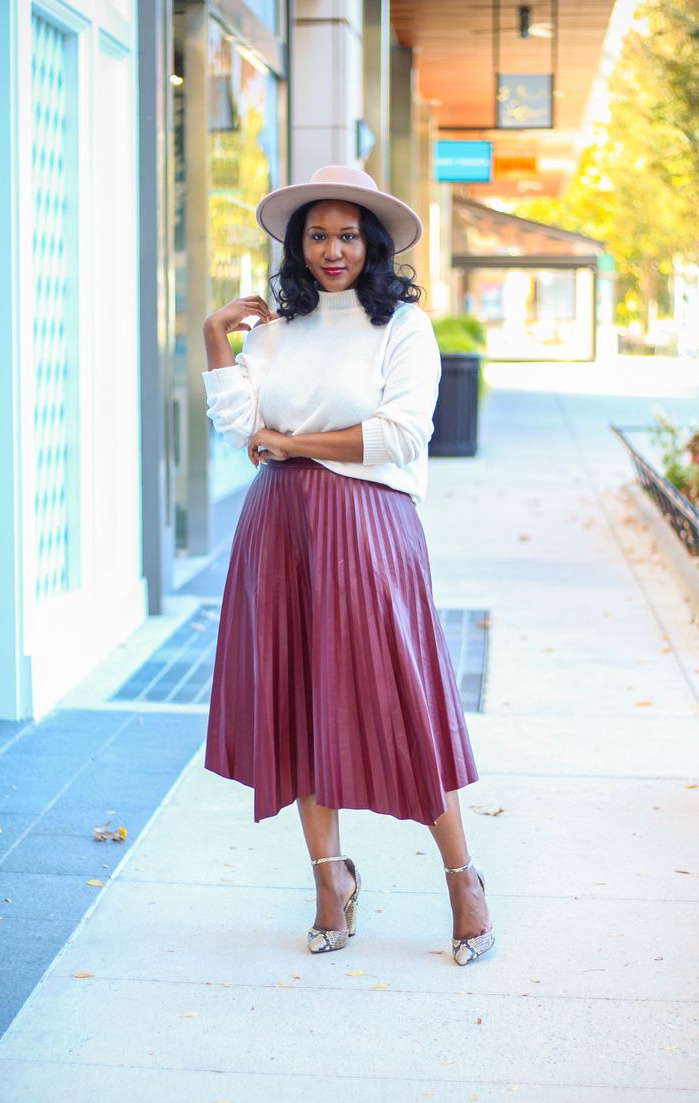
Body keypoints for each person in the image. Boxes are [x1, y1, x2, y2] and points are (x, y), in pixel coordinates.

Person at [201, 165, 494, 964]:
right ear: (298, 244)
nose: (333, 249)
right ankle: (331, 882)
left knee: (404, 698)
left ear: (373, 243)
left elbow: (402, 433)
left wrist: (293, 443)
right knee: (298, 703)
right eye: (317, 234)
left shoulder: (403, 325)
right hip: (279, 524)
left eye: (348, 233)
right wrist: (213, 340)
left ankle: (463, 877)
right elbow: (242, 429)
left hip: (369, 525)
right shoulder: (275, 326)